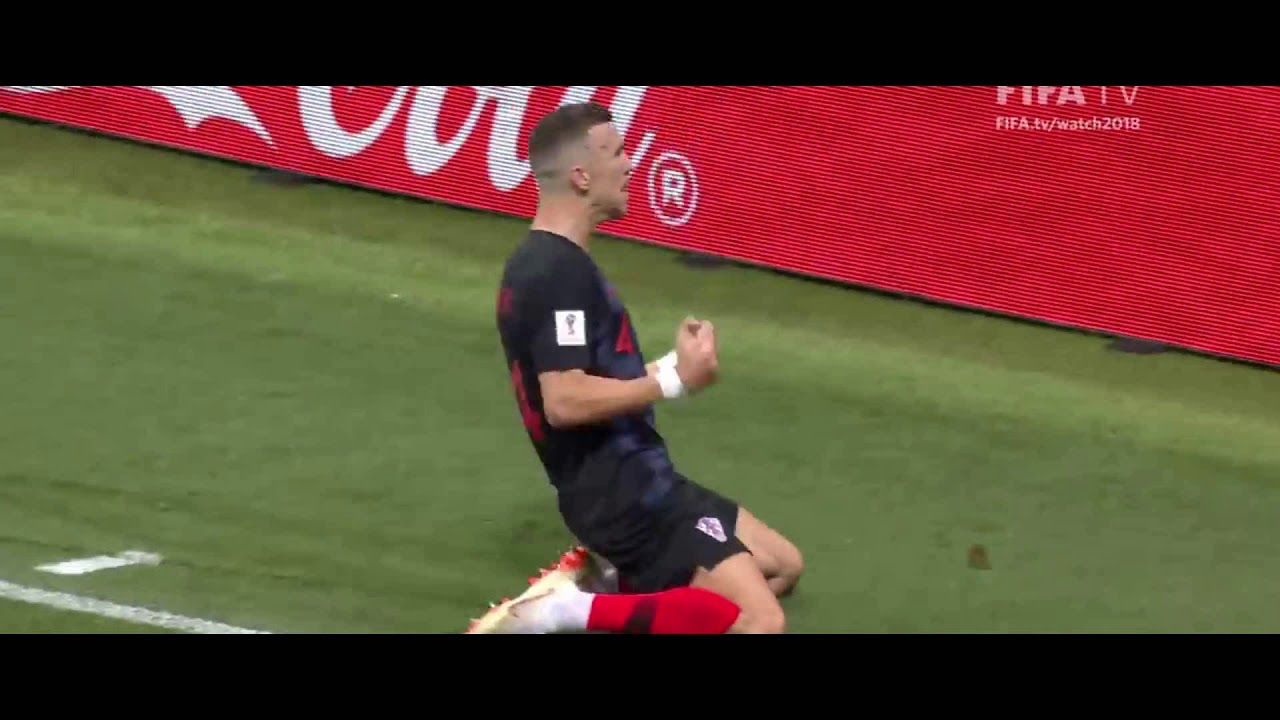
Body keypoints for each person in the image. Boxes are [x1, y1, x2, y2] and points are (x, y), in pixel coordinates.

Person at [469, 102, 803, 634]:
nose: (630, 164)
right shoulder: (556, 273)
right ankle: (568, 610)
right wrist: (673, 381)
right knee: (761, 621)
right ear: (581, 176)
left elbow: (592, 376)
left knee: (783, 565)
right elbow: (564, 401)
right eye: (618, 152)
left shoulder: (546, 262)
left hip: (636, 478)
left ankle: (616, 583)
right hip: (626, 497)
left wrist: (675, 364)